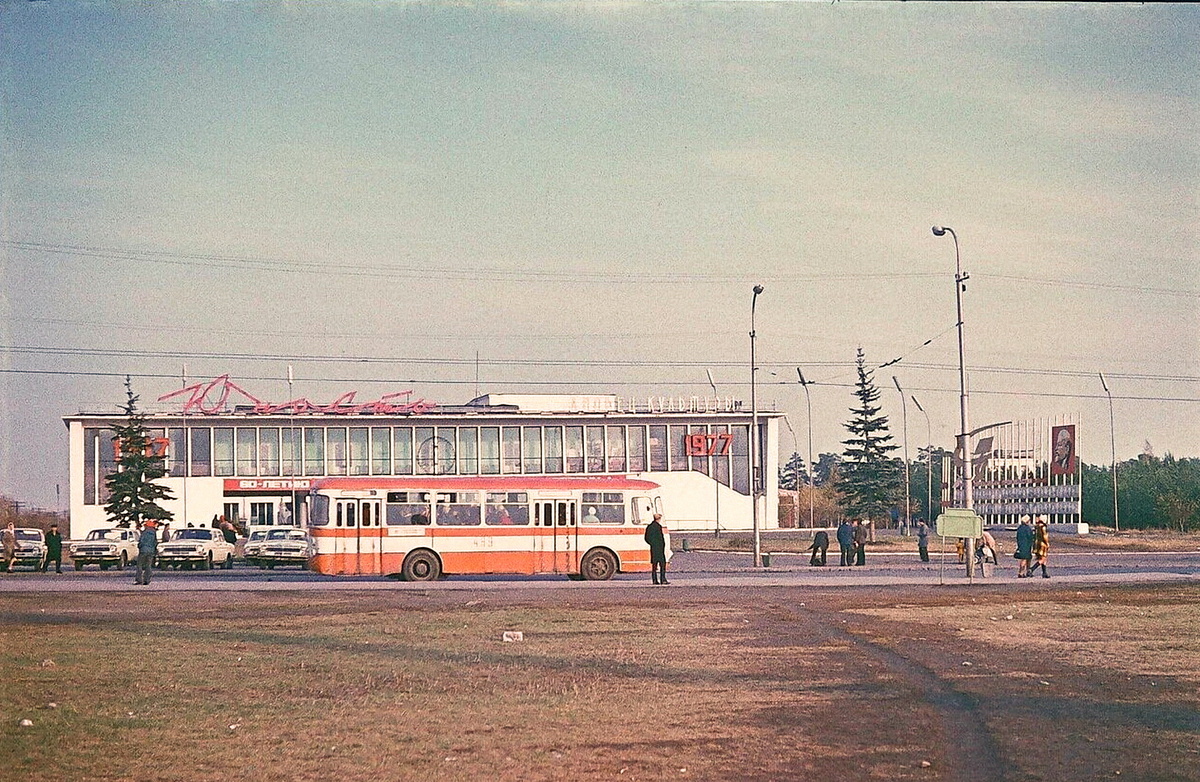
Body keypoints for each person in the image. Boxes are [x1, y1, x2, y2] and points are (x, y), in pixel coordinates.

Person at [643, 513, 668, 585]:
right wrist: (661, 545)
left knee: (654, 565)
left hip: (653, 548)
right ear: (659, 519)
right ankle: (663, 579)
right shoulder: (658, 526)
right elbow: (660, 538)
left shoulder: (649, 526)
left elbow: (646, 538)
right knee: (662, 564)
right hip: (659, 548)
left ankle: (654, 580)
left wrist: (652, 543)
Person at [134, 521, 159, 586]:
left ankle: (139, 580)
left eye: (145, 525)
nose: (144, 526)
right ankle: (147, 580)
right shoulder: (154, 533)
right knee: (148, 565)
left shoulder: (145, 533)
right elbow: (155, 542)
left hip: (143, 550)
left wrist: (139, 546)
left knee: (139, 565)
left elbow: (141, 541)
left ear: (147, 526)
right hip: (151, 551)